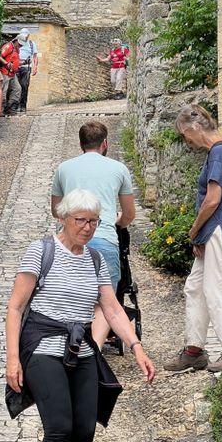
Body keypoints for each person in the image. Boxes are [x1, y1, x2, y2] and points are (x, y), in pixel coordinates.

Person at [6, 189, 154, 442]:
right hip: (43, 349)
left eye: (94, 221)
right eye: (81, 220)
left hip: (81, 351)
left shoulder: (95, 260)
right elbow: (15, 307)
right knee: (59, 428)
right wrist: (13, 358)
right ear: (63, 218)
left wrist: (136, 347)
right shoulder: (41, 251)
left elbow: (113, 310)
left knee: (84, 431)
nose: (88, 228)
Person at [163, 105, 222, 374]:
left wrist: (195, 230)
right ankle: (194, 350)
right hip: (215, 229)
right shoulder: (221, 151)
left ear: (193, 128)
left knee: (216, 287)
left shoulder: (219, 153)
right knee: (196, 287)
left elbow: (212, 200)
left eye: (186, 136)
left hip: (218, 227)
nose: (188, 142)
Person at [51, 121, 135, 345]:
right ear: (105, 143)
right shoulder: (119, 169)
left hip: (70, 242)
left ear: (81, 144)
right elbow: (129, 213)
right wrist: (117, 221)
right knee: (103, 302)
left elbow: (56, 211)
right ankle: (95, 350)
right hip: (105, 236)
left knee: (69, 294)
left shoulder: (63, 169)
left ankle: (69, 343)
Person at [0, 33, 22, 115]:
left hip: (12, 73)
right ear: (16, 41)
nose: (21, 45)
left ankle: (12, 109)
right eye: (20, 44)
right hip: (4, 72)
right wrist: (6, 63)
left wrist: (24, 62)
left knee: (17, 89)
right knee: (3, 91)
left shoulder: (17, 49)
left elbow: (15, 61)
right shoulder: (8, 46)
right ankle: (0, 110)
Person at [16, 28, 39, 114]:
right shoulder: (16, 42)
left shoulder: (31, 44)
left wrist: (35, 67)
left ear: (28, 35)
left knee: (24, 86)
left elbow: (35, 56)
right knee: (16, 87)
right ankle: (15, 106)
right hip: (16, 66)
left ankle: (22, 106)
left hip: (26, 67)